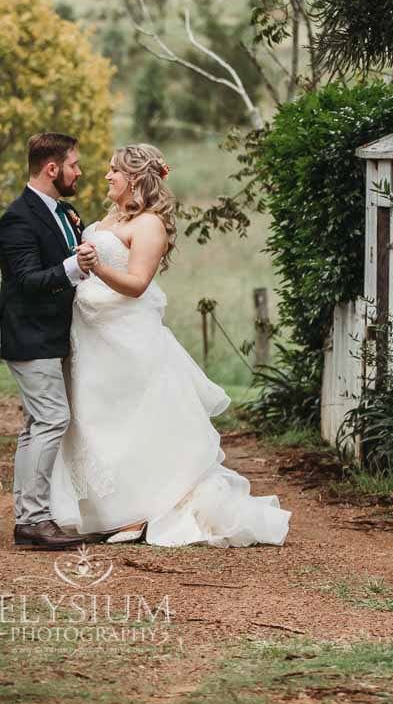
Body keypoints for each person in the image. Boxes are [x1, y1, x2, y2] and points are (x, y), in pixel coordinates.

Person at [48, 143, 291, 547]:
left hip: (126, 336)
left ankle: (143, 511)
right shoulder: (110, 217)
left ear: (135, 179)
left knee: (134, 422)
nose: (106, 176)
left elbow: (137, 284)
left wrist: (96, 266)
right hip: (90, 335)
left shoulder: (149, 225)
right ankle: (108, 511)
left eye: (114, 171)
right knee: (95, 420)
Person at [0, 132, 98, 551]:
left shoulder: (64, 213)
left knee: (37, 426)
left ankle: (27, 517)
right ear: (52, 169)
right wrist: (73, 266)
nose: (79, 172)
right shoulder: (18, 218)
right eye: (74, 164)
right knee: (52, 419)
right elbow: (26, 281)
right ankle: (33, 519)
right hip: (28, 336)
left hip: (54, 336)